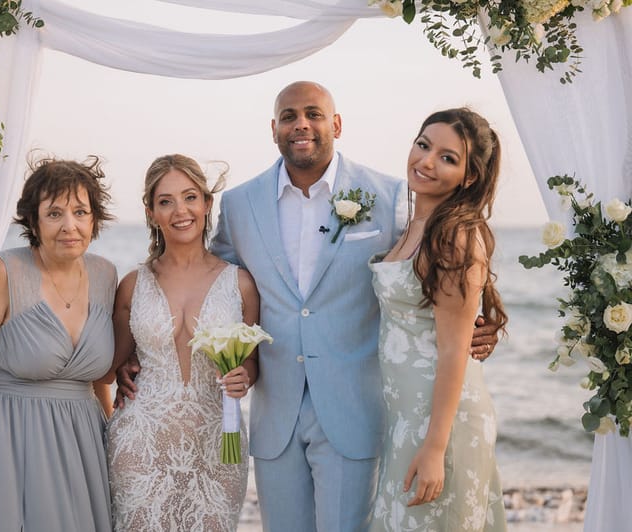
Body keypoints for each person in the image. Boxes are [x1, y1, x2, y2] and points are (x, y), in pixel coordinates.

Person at [117, 81, 498, 531]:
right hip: (274, 411)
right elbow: (208, 276)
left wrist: (480, 318)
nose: (302, 124)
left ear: (335, 124)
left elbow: (438, 269)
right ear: (274, 128)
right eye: (289, 115)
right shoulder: (241, 205)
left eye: (314, 114)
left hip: (353, 410)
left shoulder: (392, 196)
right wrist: (146, 348)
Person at [0, 157, 116, 531]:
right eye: (54, 213)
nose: (70, 225)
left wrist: (112, 440)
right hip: (4, 441)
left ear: (94, 219)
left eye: (81, 212)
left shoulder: (105, 275)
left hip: (81, 447)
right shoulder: (3, 272)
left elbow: (99, 381)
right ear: (33, 221)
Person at [369, 108, 507, 531]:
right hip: (406, 416)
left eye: (448, 157)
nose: (426, 161)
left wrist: (434, 447)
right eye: (424, 145)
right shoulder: (416, 225)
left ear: (469, 176)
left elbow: (452, 350)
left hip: (440, 422)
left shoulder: (455, 236)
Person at [105, 154, 260, 531]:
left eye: (190, 197)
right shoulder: (132, 285)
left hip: (218, 444)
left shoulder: (240, 283)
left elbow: (253, 363)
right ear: (151, 212)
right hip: (139, 444)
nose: (180, 211)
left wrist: (245, 376)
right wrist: (118, 373)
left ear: (207, 204)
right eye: (166, 201)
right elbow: (110, 367)